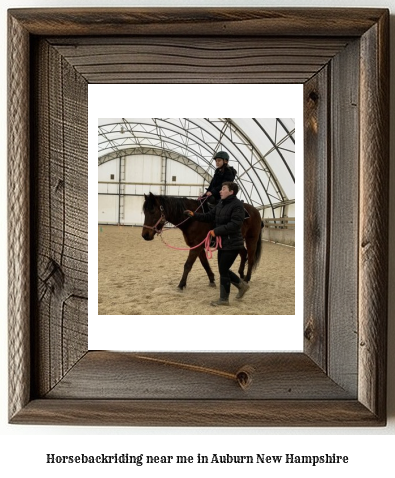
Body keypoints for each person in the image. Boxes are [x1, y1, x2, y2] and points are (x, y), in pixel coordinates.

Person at [184, 181, 250, 307]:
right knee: (222, 269)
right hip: (223, 242)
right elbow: (209, 216)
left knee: (223, 269)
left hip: (233, 243)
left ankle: (224, 299)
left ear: (231, 192)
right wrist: (194, 215)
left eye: (223, 188)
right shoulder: (220, 203)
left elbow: (235, 225)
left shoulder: (237, 206)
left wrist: (216, 231)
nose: (220, 191)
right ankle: (242, 286)